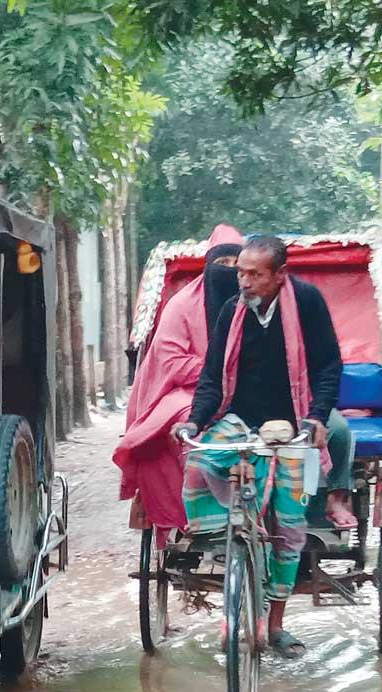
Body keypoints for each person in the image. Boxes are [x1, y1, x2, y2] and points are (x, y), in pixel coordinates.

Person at [184, 234, 344, 658]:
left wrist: (315, 418)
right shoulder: (231, 310)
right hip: (242, 418)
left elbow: (330, 365)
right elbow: (212, 376)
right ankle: (234, 549)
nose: (245, 282)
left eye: (255, 274)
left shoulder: (307, 302)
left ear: (279, 275)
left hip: (295, 418)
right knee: (201, 459)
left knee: (290, 526)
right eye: (241, 273)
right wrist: (196, 419)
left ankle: (275, 626)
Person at [114, 225, 245, 531]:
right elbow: (172, 361)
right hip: (185, 391)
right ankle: (201, 518)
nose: (230, 271)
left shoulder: (253, 302)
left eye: (236, 265)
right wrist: (219, 373)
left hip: (243, 390)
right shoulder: (182, 304)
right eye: (222, 264)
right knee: (188, 427)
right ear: (208, 266)